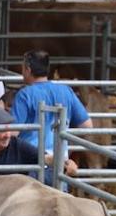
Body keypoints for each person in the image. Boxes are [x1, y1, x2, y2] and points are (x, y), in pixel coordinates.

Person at [7, 49, 88, 184]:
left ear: (28, 69)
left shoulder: (25, 94)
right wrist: (67, 146)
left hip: (32, 164)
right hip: (60, 164)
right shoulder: (65, 91)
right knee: (58, 203)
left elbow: (13, 132)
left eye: (22, 68)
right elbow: (86, 125)